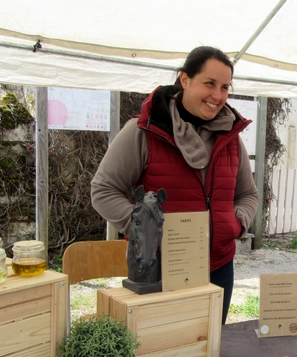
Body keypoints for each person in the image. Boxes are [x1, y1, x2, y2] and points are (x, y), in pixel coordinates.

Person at [91, 46, 259, 324]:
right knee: (161, 353)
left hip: (218, 268)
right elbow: (103, 190)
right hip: (158, 271)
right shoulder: (142, 131)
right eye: (209, 83)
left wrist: (236, 222)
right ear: (184, 80)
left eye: (225, 87)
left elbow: (248, 193)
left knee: (209, 348)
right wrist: (144, 228)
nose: (218, 96)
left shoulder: (231, 138)